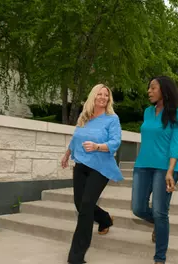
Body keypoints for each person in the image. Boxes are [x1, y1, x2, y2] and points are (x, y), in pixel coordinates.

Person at [61, 84, 123, 264]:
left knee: (86, 205)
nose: (103, 97)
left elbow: (115, 142)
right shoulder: (84, 115)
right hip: (81, 165)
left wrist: (97, 147)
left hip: (101, 167)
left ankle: (76, 257)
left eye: (106, 95)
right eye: (100, 94)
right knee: (80, 204)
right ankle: (104, 219)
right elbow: (76, 137)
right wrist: (67, 154)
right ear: (93, 96)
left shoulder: (112, 119)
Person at [131, 76, 178, 264]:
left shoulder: (177, 113)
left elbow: (176, 141)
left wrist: (170, 170)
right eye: (149, 88)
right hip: (142, 165)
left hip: (165, 168)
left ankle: (159, 258)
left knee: (160, 211)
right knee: (138, 208)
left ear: (164, 90)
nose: (149, 91)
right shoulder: (147, 112)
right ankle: (159, 224)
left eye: (153, 88)